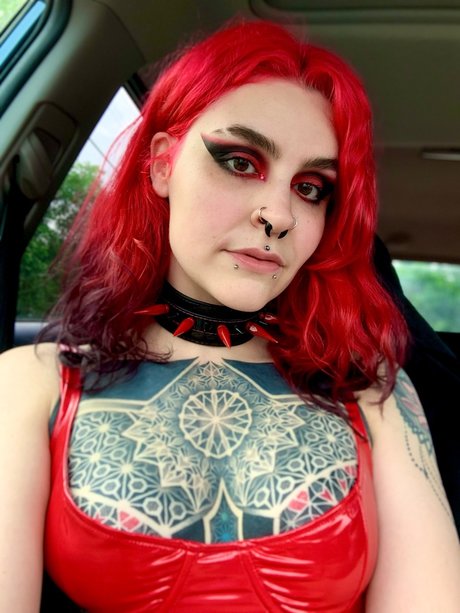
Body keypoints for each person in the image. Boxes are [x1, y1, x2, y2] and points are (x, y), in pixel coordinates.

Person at [1, 19, 459, 613]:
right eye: (241, 162)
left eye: (311, 187)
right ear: (162, 165)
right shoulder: (32, 385)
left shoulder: (375, 394)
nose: (279, 216)